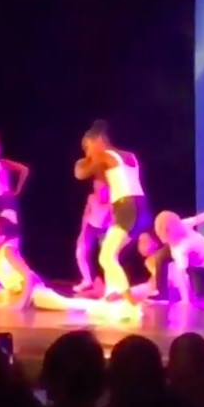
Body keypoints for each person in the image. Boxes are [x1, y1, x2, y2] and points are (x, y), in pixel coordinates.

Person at [0, 216, 109, 315]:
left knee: (66, 305)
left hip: (33, 291)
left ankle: (109, 305)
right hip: (12, 291)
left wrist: (21, 303)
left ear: (1, 237)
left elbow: (28, 277)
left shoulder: (8, 251)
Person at [74, 119, 151, 319]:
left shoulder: (106, 155)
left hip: (126, 207)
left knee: (106, 257)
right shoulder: (129, 156)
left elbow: (80, 173)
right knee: (111, 253)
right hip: (141, 208)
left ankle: (130, 302)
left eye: (87, 147)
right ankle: (112, 295)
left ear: (98, 140)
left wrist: (84, 160)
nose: (88, 152)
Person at [73, 179, 110, 293]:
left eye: (101, 188)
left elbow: (113, 218)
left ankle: (110, 283)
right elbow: (86, 215)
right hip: (91, 227)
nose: (98, 191)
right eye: (96, 188)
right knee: (80, 252)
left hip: (104, 229)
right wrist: (82, 233)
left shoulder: (112, 201)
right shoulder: (92, 198)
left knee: (107, 257)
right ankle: (87, 280)